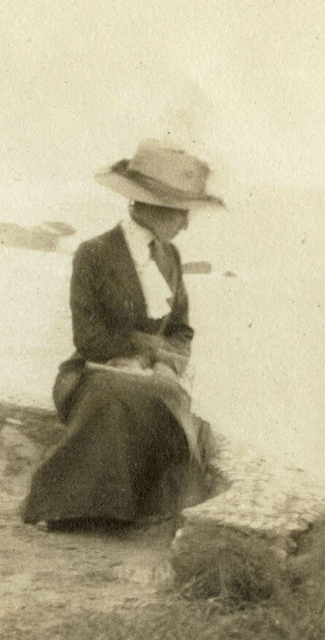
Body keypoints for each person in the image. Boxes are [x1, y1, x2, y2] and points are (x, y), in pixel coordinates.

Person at [20, 140, 224, 529]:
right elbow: (88, 337)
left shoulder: (171, 257)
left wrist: (166, 363)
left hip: (153, 376)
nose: (186, 223)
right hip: (92, 372)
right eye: (181, 212)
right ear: (153, 208)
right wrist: (139, 350)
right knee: (116, 400)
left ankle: (126, 509)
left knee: (163, 395)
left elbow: (181, 329)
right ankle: (69, 508)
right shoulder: (93, 253)